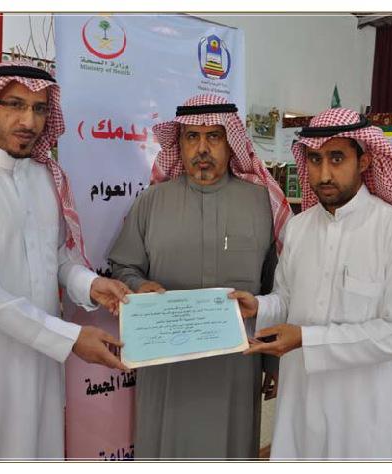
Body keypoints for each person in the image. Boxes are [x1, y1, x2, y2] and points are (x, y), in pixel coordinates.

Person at [0, 61, 132, 459]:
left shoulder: (46, 179)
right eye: (15, 105)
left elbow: (57, 259)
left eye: (39, 109)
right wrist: (71, 339)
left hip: (40, 367)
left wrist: (91, 285)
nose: (29, 121)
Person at [230, 108, 392, 459]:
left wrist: (307, 338)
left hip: (362, 405)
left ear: (364, 161)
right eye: (314, 160)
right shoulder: (298, 228)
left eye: (336, 158)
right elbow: (287, 299)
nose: (324, 173)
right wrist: (259, 306)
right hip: (301, 394)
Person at [108, 94, 292, 459]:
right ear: (179, 144)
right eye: (192, 137)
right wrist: (139, 286)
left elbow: (274, 285)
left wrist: (273, 360)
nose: (202, 149)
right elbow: (123, 266)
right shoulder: (152, 201)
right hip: (165, 365)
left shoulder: (260, 202)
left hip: (236, 365)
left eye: (214, 137)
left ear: (231, 143)